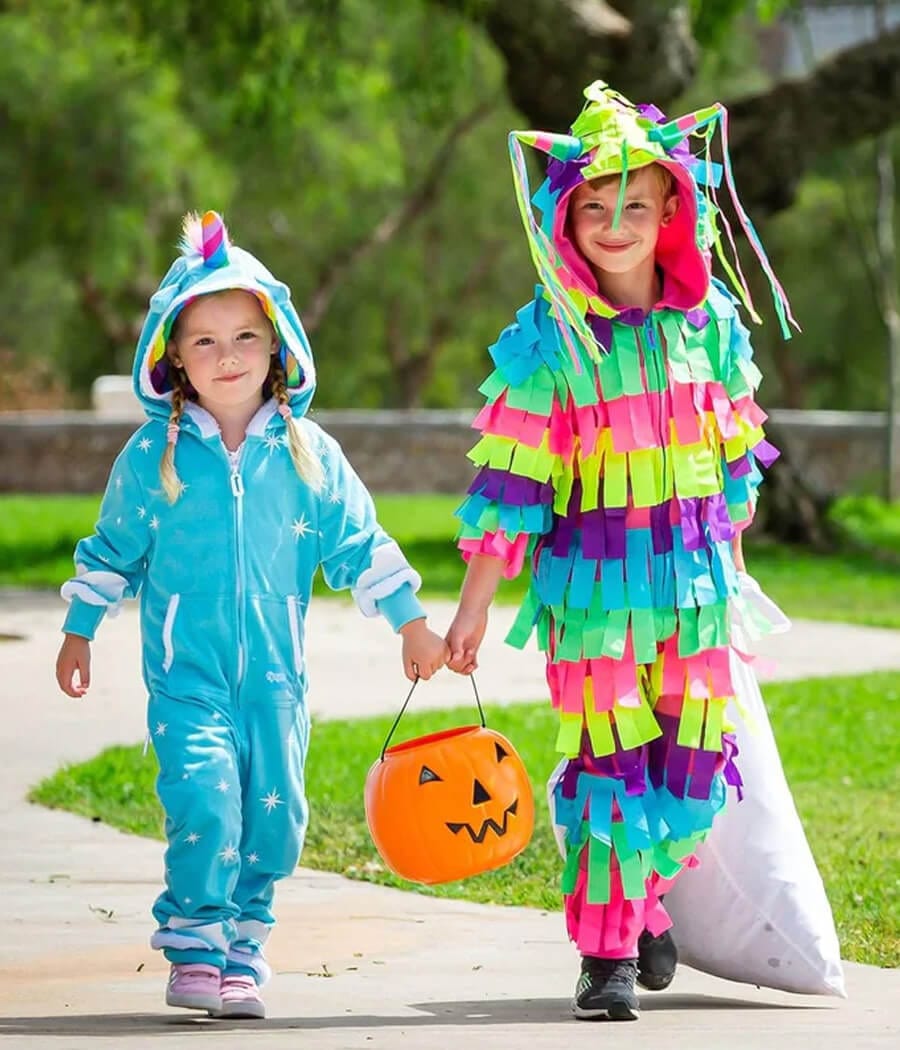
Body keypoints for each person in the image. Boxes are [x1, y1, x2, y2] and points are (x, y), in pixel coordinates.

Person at [446, 82, 796, 1020]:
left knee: (694, 765)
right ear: (564, 218)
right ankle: (606, 957)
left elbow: (735, 458)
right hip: (592, 600)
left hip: (698, 593)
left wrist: (732, 558)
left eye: (635, 205)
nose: (614, 225)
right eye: (594, 207)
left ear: (672, 212)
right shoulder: (549, 343)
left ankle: (639, 903)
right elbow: (511, 486)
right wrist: (474, 605)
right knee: (610, 767)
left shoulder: (712, 328)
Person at [55, 210, 449, 1020]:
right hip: (187, 678)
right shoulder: (152, 457)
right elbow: (111, 550)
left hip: (276, 683)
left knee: (278, 820)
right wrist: (79, 631)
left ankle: (243, 948)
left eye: (244, 337)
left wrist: (410, 621)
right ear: (173, 355)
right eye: (204, 341)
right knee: (204, 803)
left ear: (277, 347)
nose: (227, 355)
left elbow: (359, 542)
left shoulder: (309, 453)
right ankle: (196, 944)